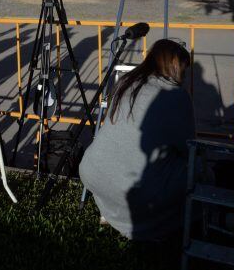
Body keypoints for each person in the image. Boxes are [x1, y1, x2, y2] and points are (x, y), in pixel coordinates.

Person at [79, 39, 192, 241]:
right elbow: (188, 148)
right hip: (133, 188)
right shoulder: (176, 96)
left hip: (94, 172)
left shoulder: (126, 81)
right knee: (197, 172)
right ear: (175, 66)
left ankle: (115, 215)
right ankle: (150, 225)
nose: (185, 77)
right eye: (184, 71)